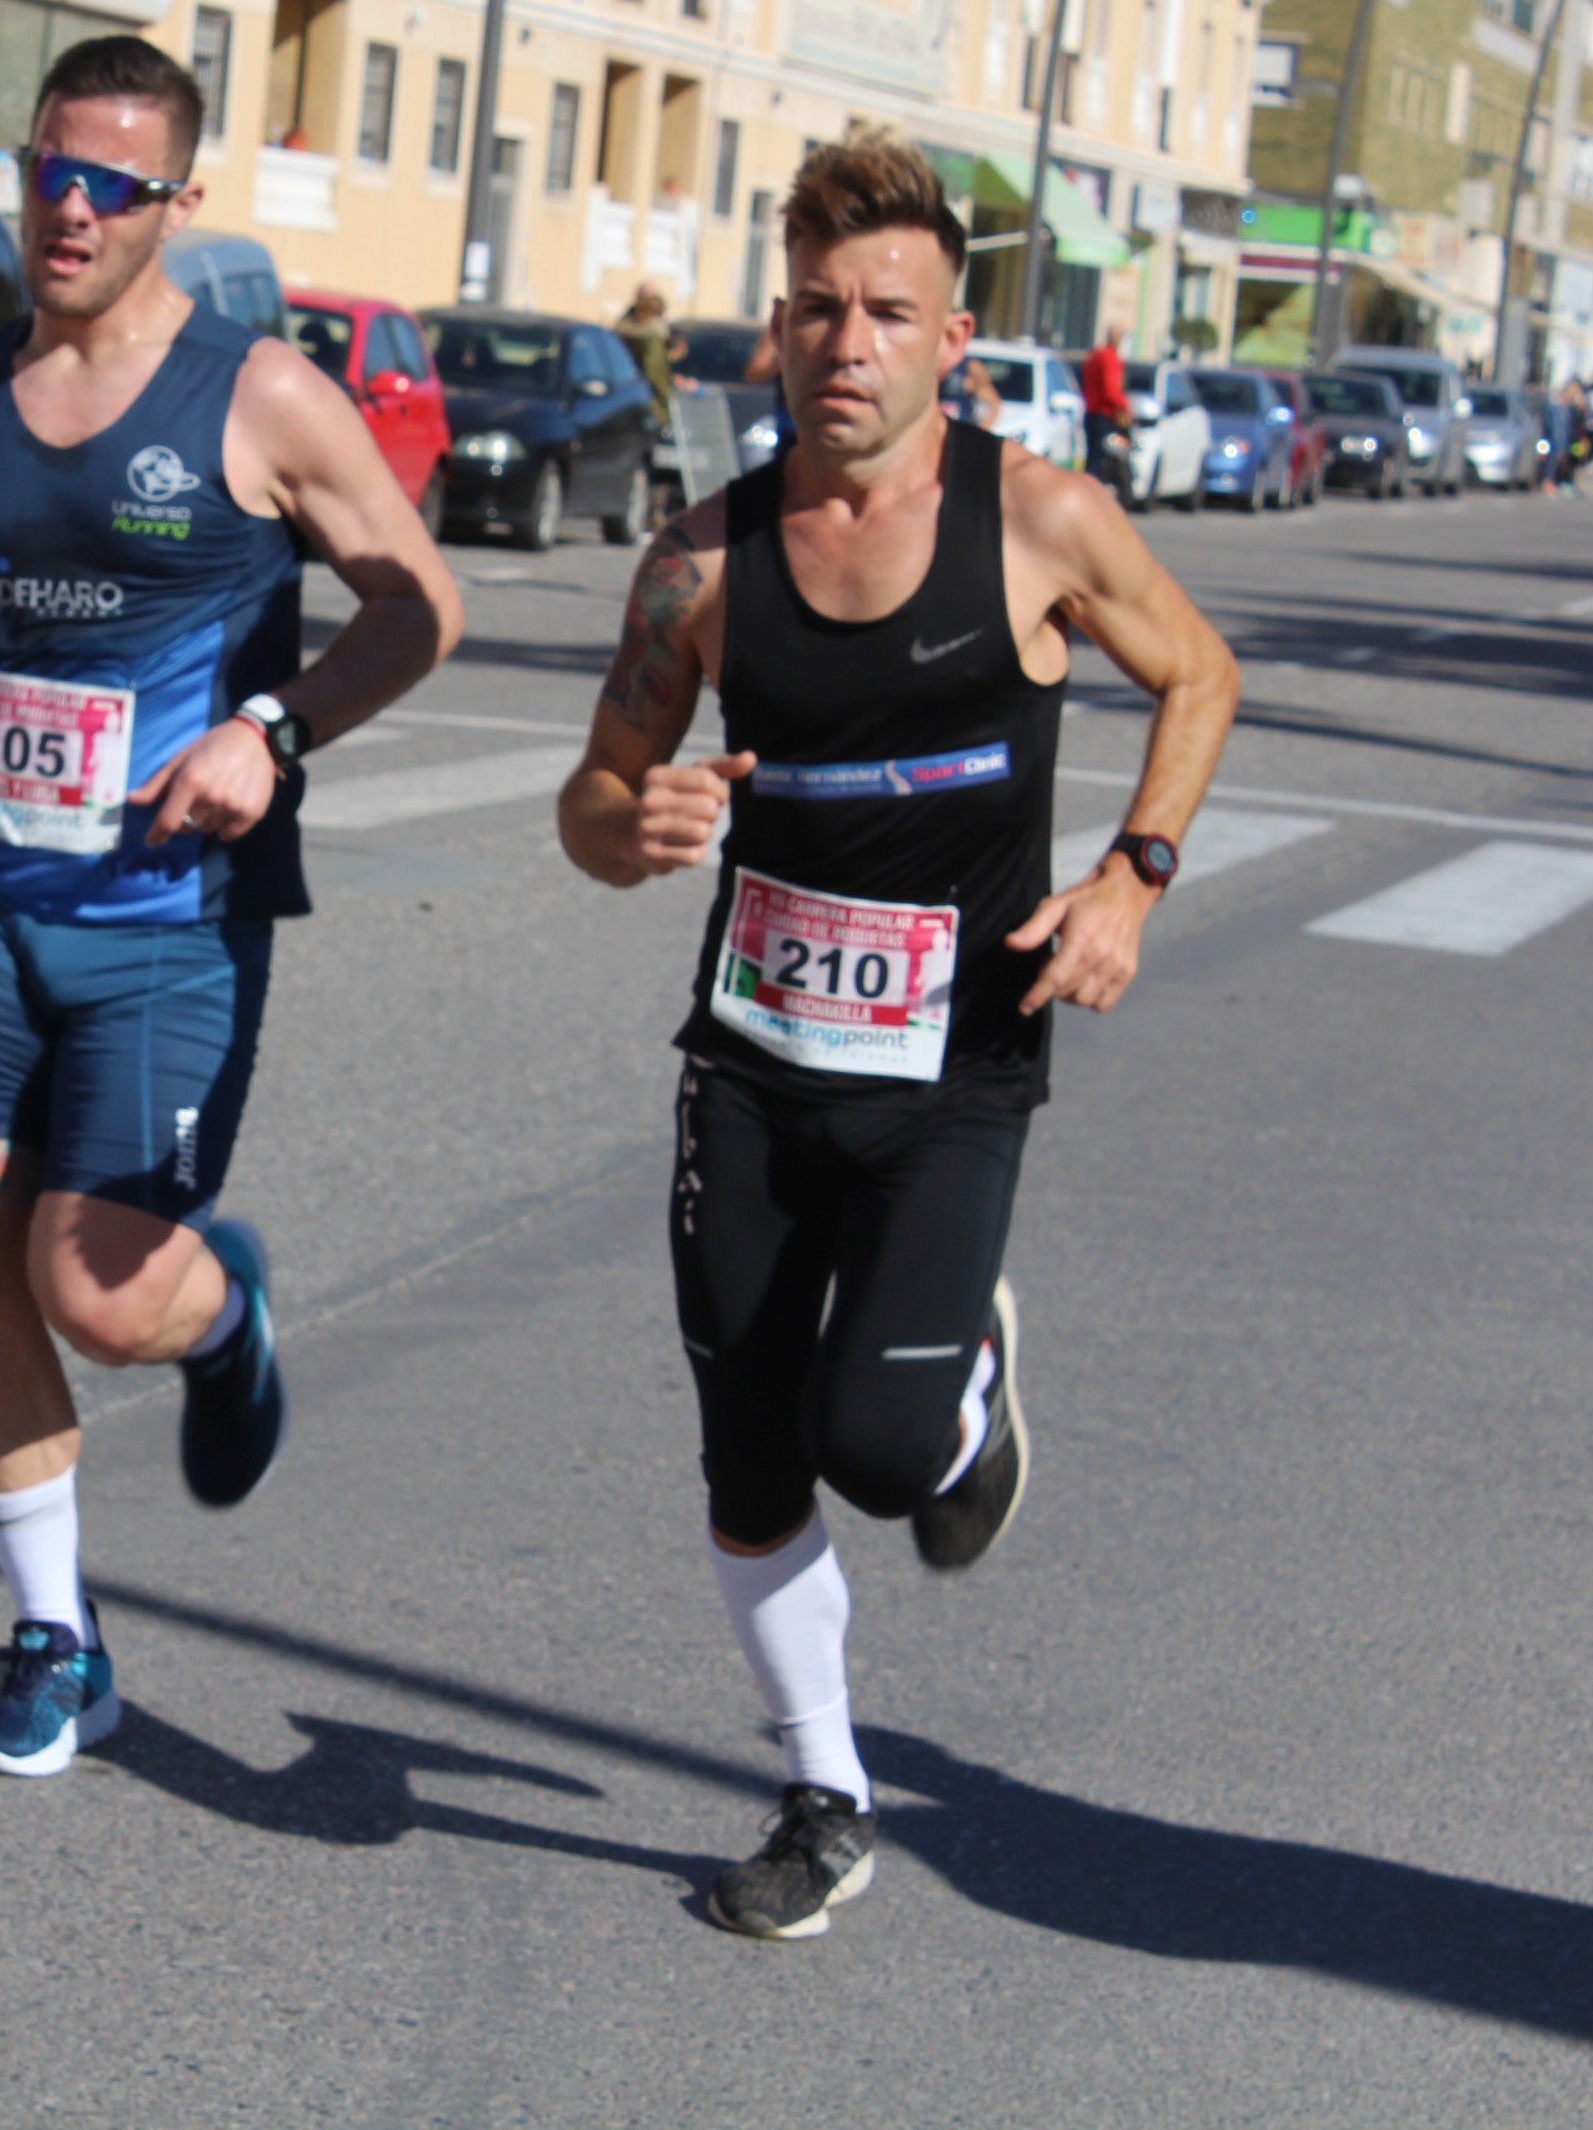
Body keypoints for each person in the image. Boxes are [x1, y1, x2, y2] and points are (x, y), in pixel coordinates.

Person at [553, 127, 1239, 1941]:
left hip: (953, 1072)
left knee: (874, 1436)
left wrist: (1130, 879)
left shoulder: (1040, 524)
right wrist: (633, 823)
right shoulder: (701, 563)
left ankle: (965, 1407)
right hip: (754, 1063)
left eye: (886, 312)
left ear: (950, 343)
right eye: (814, 309)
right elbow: (595, 796)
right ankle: (823, 1788)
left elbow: (1200, 671)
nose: (845, 341)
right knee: (748, 1449)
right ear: (773, 331)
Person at [0, 35, 463, 1779]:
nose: (69, 210)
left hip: (167, 910)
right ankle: (53, 1636)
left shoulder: (262, 398)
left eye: (109, 183)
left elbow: (421, 607)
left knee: (93, 1289)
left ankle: (222, 1310)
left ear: (178, 201)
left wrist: (272, 727)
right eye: (47, 173)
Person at [1080, 323, 1129, 499]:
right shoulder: (1110, 357)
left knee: (1092, 455)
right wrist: (1125, 406)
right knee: (1100, 459)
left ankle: (1088, 491)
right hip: (1103, 413)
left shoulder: (1095, 356)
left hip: (1091, 411)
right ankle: (1091, 495)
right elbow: (1111, 390)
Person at [616, 284, 677, 396]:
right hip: (637, 389)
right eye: (647, 298)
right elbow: (652, 371)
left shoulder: (658, 327)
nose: (651, 302)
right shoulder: (648, 330)